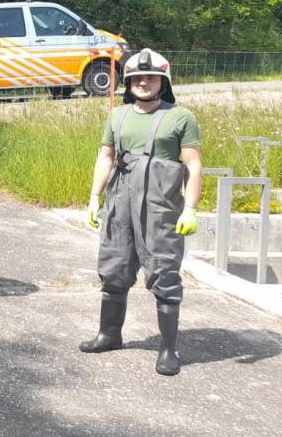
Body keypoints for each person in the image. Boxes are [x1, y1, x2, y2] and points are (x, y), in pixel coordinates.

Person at [80, 49, 202, 376]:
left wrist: (190, 208)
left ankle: (168, 349)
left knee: (163, 271)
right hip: (119, 202)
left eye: (150, 78)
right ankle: (109, 334)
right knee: (114, 265)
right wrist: (95, 196)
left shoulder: (181, 117)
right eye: (136, 78)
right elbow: (106, 157)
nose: (143, 83)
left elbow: (192, 164)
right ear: (128, 82)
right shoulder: (117, 116)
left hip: (160, 207)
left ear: (163, 82)